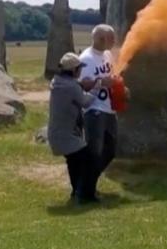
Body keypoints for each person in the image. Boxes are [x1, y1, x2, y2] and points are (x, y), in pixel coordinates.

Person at [48, 52, 98, 203]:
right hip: (66, 136)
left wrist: (83, 86)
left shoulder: (58, 82)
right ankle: (85, 194)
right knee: (89, 160)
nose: (81, 71)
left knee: (74, 162)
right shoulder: (71, 86)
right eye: (79, 68)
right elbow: (85, 102)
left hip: (58, 134)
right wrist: (98, 87)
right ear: (74, 70)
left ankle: (77, 191)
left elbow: (74, 90)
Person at [79, 24, 121, 184]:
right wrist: (100, 82)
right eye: (112, 38)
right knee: (94, 151)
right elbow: (82, 84)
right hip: (94, 110)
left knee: (110, 151)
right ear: (101, 39)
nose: (114, 41)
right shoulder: (86, 59)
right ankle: (85, 188)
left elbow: (112, 76)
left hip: (109, 109)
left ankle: (88, 182)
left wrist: (121, 89)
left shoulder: (107, 55)